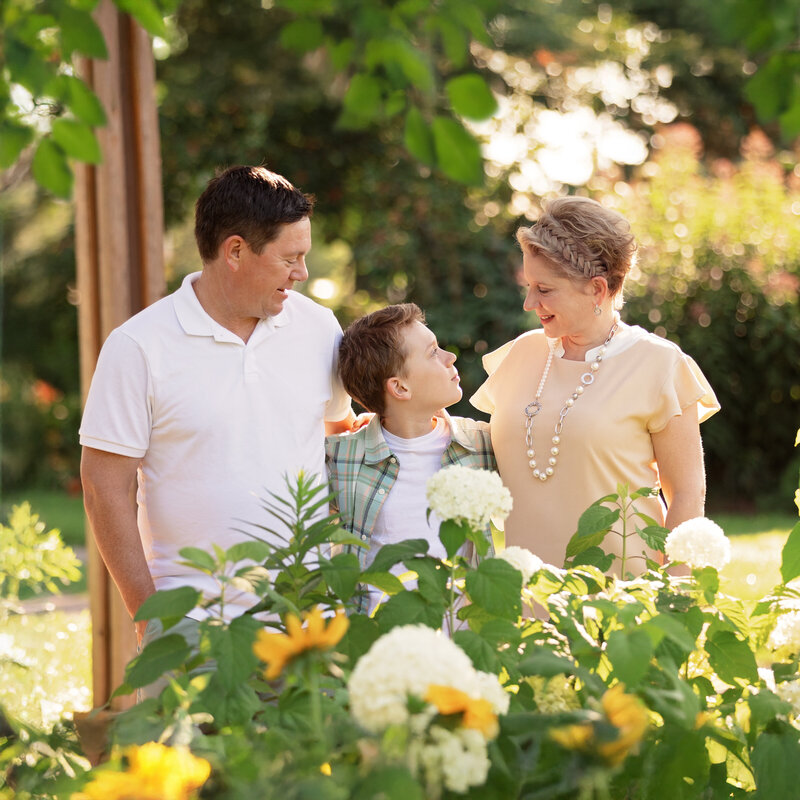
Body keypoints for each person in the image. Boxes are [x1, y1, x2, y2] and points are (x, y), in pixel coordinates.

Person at [80, 166, 353, 641]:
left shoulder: (320, 329)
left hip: (304, 620)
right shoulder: (139, 346)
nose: (302, 273)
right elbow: (104, 487)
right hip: (193, 622)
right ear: (235, 251)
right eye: (291, 258)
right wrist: (152, 618)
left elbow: (336, 431)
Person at [470, 196, 720, 571]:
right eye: (529, 286)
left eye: (544, 289)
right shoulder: (519, 355)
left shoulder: (660, 364)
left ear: (598, 290)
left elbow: (686, 493)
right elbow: (477, 452)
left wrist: (676, 596)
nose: (528, 303)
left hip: (620, 602)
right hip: (524, 600)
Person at [325, 303, 496, 613]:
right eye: (433, 352)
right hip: (379, 642)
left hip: (462, 644)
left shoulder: (483, 445)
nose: (450, 357)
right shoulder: (340, 458)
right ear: (400, 387)